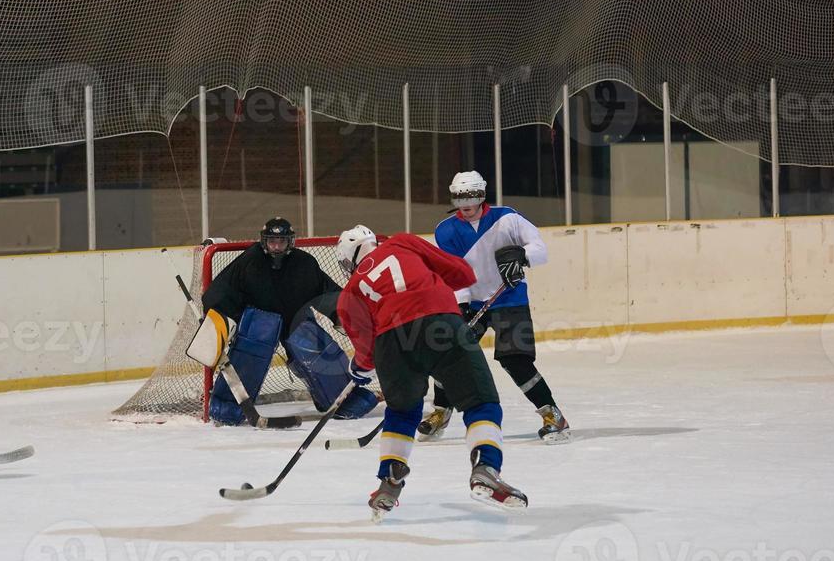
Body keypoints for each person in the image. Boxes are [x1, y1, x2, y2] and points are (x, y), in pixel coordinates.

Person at [334, 225, 528, 522]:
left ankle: (389, 482)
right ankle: (486, 466)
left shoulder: (349, 292)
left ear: (350, 259)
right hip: (441, 324)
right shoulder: (402, 242)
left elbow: (367, 354)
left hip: (391, 343)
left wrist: (359, 371)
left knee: (401, 412)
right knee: (480, 402)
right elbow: (463, 273)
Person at [419, 171, 570, 443]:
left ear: (481, 195)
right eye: (459, 196)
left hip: (509, 299)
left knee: (516, 360)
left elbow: (540, 248)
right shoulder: (445, 230)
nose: (464, 202)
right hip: (473, 300)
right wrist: (461, 305)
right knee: (448, 353)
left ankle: (553, 414)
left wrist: (523, 256)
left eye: (470, 195)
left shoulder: (507, 218)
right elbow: (454, 272)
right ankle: (440, 411)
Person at [200, 217, 379, 425]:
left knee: (310, 341)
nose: (276, 247)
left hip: (296, 321)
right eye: (272, 242)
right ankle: (227, 407)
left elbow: (326, 292)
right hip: (259, 325)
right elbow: (218, 293)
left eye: (281, 242)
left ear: (290, 242)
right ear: (263, 241)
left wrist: (344, 314)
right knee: (257, 336)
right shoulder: (249, 261)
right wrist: (225, 320)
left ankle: (344, 400)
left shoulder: (304, 263)